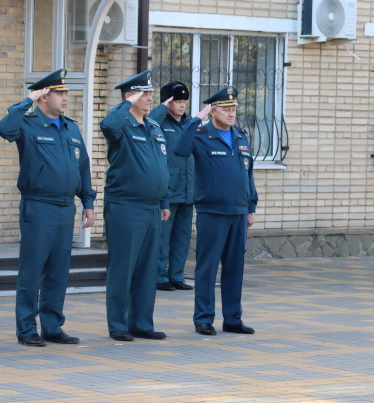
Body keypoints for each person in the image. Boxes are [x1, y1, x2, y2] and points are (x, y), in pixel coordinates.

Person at [0, 69, 96, 347]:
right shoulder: (27, 124)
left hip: (66, 208)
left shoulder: (71, 127)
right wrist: (27, 100)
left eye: (65, 93)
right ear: (43, 96)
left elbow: (83, 167)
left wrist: (87, 201)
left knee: (58, 271)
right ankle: (27, 329)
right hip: (39, 207)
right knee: (32, 270)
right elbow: (4, 129)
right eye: (59, 93)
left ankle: (52, 326)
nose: (65, 98)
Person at [174, 85, 258, 337]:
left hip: (239, 213)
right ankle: (203, 319)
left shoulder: (241, 136)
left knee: (235, 268)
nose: (231, 114)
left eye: (234, 109)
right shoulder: (200, 135)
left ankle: (232, 318)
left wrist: (251, 207)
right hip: (212, 212)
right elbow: (179, 149)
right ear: (212, 112)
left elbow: (248, 174)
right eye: (226, 109)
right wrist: (195, 119)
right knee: (207, 267)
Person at [100, 70, 170, 342]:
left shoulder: (153, 126)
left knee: (146, 268)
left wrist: (164, 201)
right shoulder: (121, 124)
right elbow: (108, 125)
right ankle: (118, 324)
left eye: (150, 93)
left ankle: (141, 322)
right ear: (130, 97)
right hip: (126, 206)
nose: (150, 97)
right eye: (145, 93)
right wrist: (127, 103)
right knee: (123, 268)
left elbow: (161, 166)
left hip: (152, 207)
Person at [150, 81, 195, 292]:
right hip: (168, 190)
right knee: (163, 238)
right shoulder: (159, 123)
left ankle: (176, 275)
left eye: (183, 101)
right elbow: (147, 122)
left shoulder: (189, 124)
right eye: (177, 101)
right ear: (167, 102)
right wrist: (161, 107)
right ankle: (159, 277)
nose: (181, 105)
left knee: (182, 237)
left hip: (188, 190)